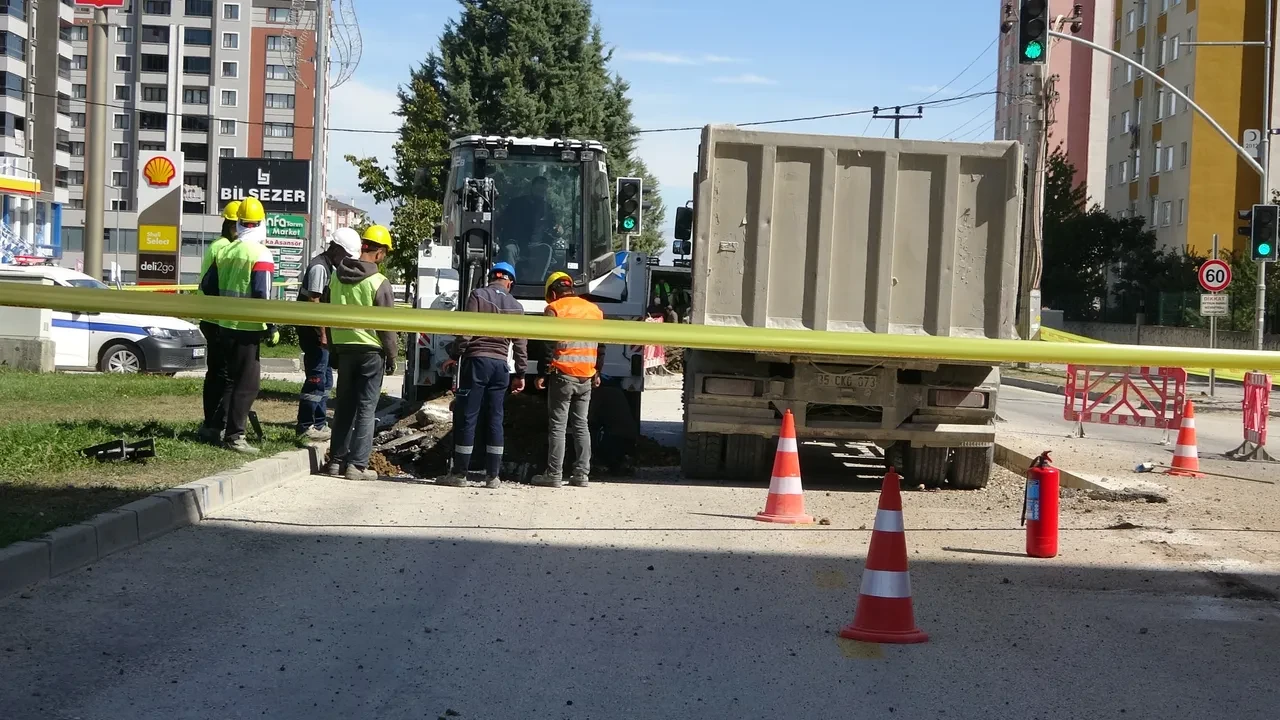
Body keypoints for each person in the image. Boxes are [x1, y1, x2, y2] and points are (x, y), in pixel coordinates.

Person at [439, 262, 528, 489]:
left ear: (491, 278)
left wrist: (455, 355)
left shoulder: (477, 295)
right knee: (495, 419)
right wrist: (520, 373)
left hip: (477, 362)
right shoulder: (516, 306)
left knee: (468, 416)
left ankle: (459, 474)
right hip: (500, 367)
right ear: (510, 282)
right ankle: (493, 476)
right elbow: (520, 345)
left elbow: (467, 331)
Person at [198, 197, 276, 454]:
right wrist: (271, 325)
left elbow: (208, 286)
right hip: (247, 328)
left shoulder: (226, 250)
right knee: (247, 384)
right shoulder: (261, 253)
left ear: (239, 223)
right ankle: (235, 436)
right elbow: (262, 294)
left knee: (230, 380)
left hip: (224, 324)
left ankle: (217, 427)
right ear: (261, 223)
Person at [323, 225, 399, 482]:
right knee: (367, 408)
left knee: (343, 406)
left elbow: (327, 314)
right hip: (369, 351)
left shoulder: (335, 277)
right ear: (379, 253)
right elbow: (386, 326)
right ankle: (357, 466)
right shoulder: (378, 282)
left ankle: (336, 462)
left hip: (344, 348)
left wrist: (333, 348)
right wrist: (392, 356)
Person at [532, 271, 605, 489]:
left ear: (553, 293)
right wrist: (598, 371)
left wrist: (542, 373)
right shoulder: (594, 310)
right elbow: (601, 345)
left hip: (563, 373)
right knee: (581, 425)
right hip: (587, 374)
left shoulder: (555, 309)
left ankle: (554, 474)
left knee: (558, 425)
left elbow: (548, 344)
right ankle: (581, 474)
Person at [294, 227, 362, 443]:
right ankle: (306, 425)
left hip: (321, 333)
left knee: (325, 380)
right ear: (337, 249)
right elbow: (314, 304)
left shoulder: (328, 266)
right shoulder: (319, 268)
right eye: (346, 255)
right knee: (316, 379)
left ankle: (319, 423)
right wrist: (323, 335)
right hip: (314, 333)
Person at [197, 199, 241, 445]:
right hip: (219, 319)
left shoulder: (216, 245)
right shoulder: (225, 248)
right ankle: (216, 425)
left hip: (209, 315)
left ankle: (211, 424)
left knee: (215, 373)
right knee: (225, 375)